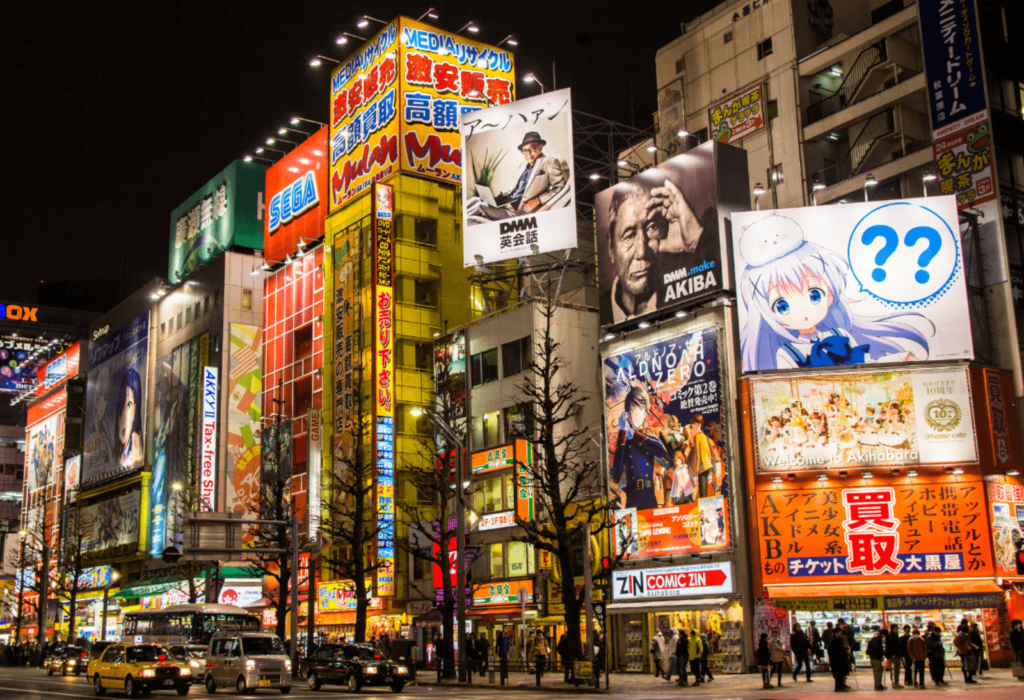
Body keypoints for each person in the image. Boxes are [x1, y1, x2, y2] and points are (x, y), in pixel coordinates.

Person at [737, 213, 932, 370]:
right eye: (783, 306)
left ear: (829, 295)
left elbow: (866, 366)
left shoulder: (840, 335)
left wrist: (901, 358)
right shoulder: (787, 353)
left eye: (814, 295)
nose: (803, 310)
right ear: (768, 315)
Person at [599, 165, 714, 325]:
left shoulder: (688, 282)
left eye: (652, 227)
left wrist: (695, 239)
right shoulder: (600, 314)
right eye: (629, 235)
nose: (641, 251)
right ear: (611, 246)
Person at [465, 131, 567, 222]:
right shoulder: (522, 165)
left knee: (480, 206)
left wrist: (538, 200)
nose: (528, 153)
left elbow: (560, 186)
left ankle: (459, 222)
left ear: (541, 146)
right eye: (525, 150)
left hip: (517, 211)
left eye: (533, 148)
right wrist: (502, 193)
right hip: (506, 202)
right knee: (475, 199)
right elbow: (515, 189)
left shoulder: (549, 162)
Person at [609, 386, 668, 511]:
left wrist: (635, 435)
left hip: (649, 494)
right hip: (632, 496)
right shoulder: (625, 443)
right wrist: (622, 433)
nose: (636, 414)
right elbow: (616, 474)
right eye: (632, 410)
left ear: (646, 412)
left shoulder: (649, 439)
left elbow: (661, 451)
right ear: (627, 414)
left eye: (640, 409)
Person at [828, 628, 851, 693]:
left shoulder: (839, 640)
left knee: (841, 674)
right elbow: (832, 652)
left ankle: (841, 686)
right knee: (838, 674)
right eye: (839, 632)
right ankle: (838, 687)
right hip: (836, 660)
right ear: (836, 633)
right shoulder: (833, 641)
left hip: (841, 659)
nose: (840, 633)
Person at [866, 626, 887, 690]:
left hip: (874, 657)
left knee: (878, 671)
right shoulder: (877, 639)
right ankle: (878, 685)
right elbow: (877, 649)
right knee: (878, 672)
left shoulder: (875, 638)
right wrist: (881, 654)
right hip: (875, 657)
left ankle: (879, 684)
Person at [885, 623, 903, 688]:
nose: (896, 630)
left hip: (897, 655)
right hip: (892, 655)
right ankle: (894, 683)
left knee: (897, 669)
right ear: (892, 629)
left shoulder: (897, 635)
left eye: (897, 628)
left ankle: (897, 681)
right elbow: (888, 647)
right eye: (895, 628)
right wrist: (891, 654)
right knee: (893, 669)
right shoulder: (889, 637)